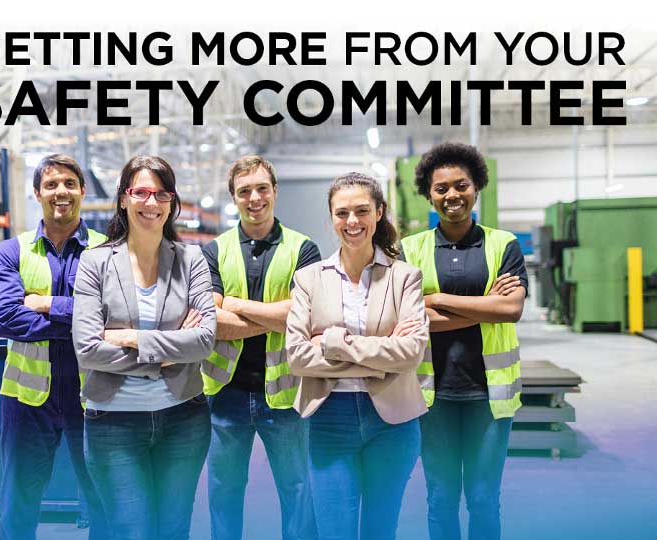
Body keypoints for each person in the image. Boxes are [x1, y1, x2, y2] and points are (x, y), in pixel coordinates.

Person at [71, 156, 215, 540]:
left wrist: (132, 338)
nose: (151, 203)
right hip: (113, 423)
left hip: (183, 418)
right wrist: (169, 352)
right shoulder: (95, 262)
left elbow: (203, 340)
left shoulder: (191, 260)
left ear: (171, 202)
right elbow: (87, 349)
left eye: (161, 193)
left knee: (173, 530)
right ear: (123, 199)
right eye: (141, 192)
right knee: (129, 531)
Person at [285, 172, 429, 540]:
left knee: (381, 529)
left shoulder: (405, 278)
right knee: (335, 530)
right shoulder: (309, 279)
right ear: (331, 217)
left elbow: (411, 352)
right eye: (342, 213)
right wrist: (382, 353)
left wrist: (334, 342)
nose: (352, 222)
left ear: (379, 212)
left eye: (362, 211)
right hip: (330, 417)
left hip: (393, 424)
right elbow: (298, 356)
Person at [400, 142, 528, 540]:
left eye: (461, 185)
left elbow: (511, 311)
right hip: (431, 395)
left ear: (476, 188)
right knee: (439, 497)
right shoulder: (410, 248)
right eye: (441, 188)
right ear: (428, 194)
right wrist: (484, 303)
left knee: (484, 497)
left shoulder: (502, 243)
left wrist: (436, 299)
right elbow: (407, 319)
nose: (452, 195)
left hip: (489, 395)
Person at [0, 153, 107, 540]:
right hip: (28, 398)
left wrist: (48, 304)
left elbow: (120, 315)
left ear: (83, 191)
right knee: (19, 501)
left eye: (70, 184)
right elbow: (4, 318)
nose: (61, 192)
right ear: (37, 192)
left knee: (104, 500)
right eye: (51, 184)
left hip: (96, 395)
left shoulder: (108, 250)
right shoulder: (11, 252)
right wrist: (84, 320)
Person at [201, 155, 320, 540]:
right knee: (224, 491)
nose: (254, 197)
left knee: (297, 489)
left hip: (284, 394)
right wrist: (275, 315)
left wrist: (233, 304)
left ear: (275, 191)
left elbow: (302, 317)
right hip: (225, 393)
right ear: (233, 198)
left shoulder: (304, 249)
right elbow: (211, 322)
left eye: (261, 188)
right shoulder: (213, 251)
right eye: (244, 191)